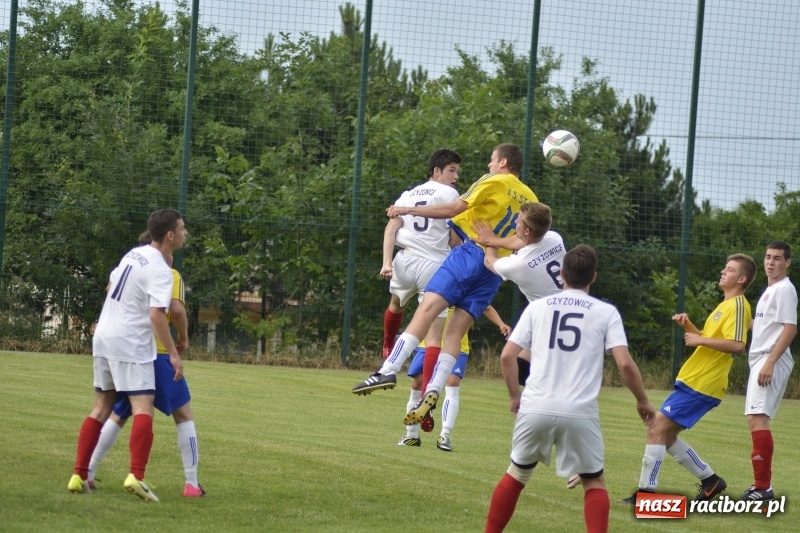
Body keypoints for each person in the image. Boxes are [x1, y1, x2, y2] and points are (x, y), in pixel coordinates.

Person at [353, 143, 537, 431]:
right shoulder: (531, 199)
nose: (489, 165)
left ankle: (387, 369)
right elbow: (523, 242)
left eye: (492, 160)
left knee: (427, 309)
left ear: (503, 163)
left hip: (470, 253)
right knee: (455, 332)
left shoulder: (494, 180)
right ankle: (434, 389)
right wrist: (494, 243)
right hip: (494, 269)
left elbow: (453, 208)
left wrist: (406, 208)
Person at [484, 244, 655, 533]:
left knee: (517, 475)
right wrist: (642, 400)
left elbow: (506, 357)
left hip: (536, 405)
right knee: (594, 482)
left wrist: (515, 396)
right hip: (580, 411)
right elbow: (625, 364)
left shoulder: (537, 308)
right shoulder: (606, 312)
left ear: (562, 274)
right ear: (594, 276)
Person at [67, 209, 187, 502]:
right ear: (170, 235)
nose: (186, 234)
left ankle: (79, 475)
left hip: (104, 336)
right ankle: (137, 476)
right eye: (183, 229)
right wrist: (173, 353)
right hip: (130, 341)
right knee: (143, 407)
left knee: (100, 408)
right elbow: (157, 316)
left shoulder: (133, 254)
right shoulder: (161, 270)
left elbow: (111, 287)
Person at [620, 253, 757, 504]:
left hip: (703, 383)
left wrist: (700, 338)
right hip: (696, 380)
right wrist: (690, 328)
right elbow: (711, 341)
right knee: (666, 436)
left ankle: (646, 495)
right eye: (724, 268)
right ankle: (711, 480)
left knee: (656, 428)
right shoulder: (725, 305)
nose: (723, 272)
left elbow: (737, 345)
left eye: (729, 269)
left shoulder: (739, 305)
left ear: (742, 279)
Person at [87, 232, 204, 498]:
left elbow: (110, 290)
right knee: (184, 415)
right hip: (157, 353)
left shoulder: (128, 268)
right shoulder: (168, 274)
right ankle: (191, 483)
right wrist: (183, 338)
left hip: (127, 351)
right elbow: (176, 309)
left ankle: (88, 472)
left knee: (118, 414)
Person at [379, 149, 462, 403]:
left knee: (396, 304)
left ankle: (388, 346)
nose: (456, 177)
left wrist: (386, 262)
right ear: (437, 171)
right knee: (434, 334)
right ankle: (427, 394)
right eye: (452, 170)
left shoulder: (408, 195)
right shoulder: (450, 195)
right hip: (434, 266)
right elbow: (455, 238)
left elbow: (392, 227)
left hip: (404, 260)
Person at [475, 202, 565, 386]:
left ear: (527, 230)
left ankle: (551, 393)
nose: (515, 221)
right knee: (522, 368)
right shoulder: (554, 238)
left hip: (548, 321)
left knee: (521, 369)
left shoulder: (519, 265)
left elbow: (489, 261)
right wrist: (493, 240)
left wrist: (487, 239)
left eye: (519, 220)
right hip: (566, 311)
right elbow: (519, 241)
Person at [398, 305, 510, 451]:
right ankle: (412, 436)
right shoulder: (433, 290)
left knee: (452, 382)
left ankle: (445, 435)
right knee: (418, 384)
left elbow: (485, 306)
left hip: (457, 345)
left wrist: (501, 323)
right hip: (428, 343)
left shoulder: (468, 291)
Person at [742, 242, 796, 501]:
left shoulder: (784, 289)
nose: (771, 262)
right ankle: (761, 486)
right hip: (761, 359)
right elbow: (766, 326)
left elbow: (790, 328)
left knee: (757, 418)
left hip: (770, 359)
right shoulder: (771, 289)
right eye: (767, 257)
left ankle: (763, 487)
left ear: (787, 263)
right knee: (754, 418)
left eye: (777, 258)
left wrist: (771, 362)